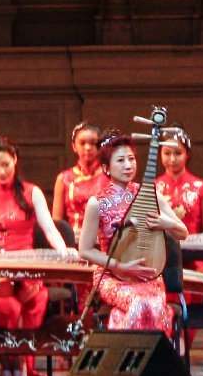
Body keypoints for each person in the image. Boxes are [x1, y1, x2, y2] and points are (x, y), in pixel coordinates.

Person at [0, 137, 69, 376]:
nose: (1, 172)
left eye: (6, 165)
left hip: (26, 264)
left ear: (15, 160)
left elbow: (49, 228)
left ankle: (21, 363)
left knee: (29, 298)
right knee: (4, 304)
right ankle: (7, 363)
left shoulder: (31, 192)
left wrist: (64, 249)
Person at [77, 130, 184, 333]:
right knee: (140, 304)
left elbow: (182, 232)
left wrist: (166, 223)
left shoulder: (150, 194)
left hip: (148, 276)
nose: (128, 165)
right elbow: (85, 250)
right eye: (120, 161)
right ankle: (131, 362)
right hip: (113, 276)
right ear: (105, 168)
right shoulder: (97, 203)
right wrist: (120, 266)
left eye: (131, 159)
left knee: (144, 306)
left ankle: (145, 362)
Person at [154, 128, 203, 236]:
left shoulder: (202, 187)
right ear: (160, 154)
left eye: (178, 153)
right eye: (167, 153)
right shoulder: (152, 188)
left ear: (187, 154)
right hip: (161, 249)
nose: (172, 159)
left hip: (193, 249)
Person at [51, 122, 106, 237]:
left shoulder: (110, 177)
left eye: (93, 143)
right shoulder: (64, 178)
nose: (87, 147)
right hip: (74, 240)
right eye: (82, 143)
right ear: (74, 146)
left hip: (104, 240)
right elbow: (57, 222)